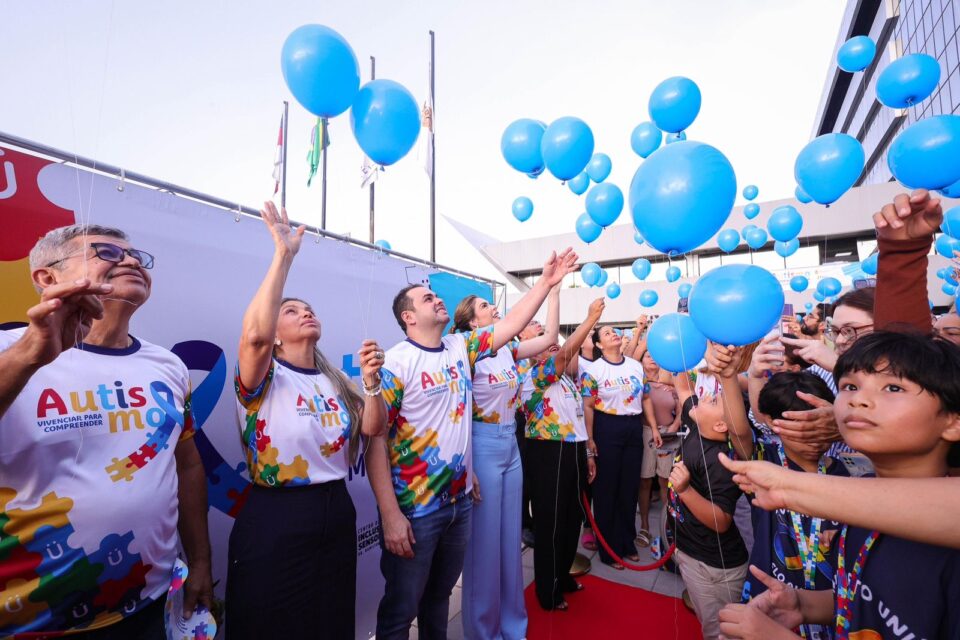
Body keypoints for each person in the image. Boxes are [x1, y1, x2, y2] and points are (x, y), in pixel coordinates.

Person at [0, 225, 212, 638]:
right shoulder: (8, 349)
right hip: (31, 623)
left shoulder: (169, 366)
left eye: (136, 256)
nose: (131, 261)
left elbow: (187, 467)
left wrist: (201, 561)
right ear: (48, 277)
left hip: (150, 606)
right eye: (107, 253)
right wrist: (28, 356)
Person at [364, 248, 578, 639]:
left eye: (435, 295)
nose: (437, 299)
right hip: (417, 506)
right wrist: (390, 514)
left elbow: (515, 323)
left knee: (439, 599)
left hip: (458, 500)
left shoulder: (460, 349)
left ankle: (504, 623)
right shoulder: (396, 363)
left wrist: (547, 284)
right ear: (408, 317)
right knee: (401, 610)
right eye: (427, 298)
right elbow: (375, 440)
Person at [718, 332, 960, 640]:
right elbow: (867, 600)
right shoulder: (860, 504)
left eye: (893, 387)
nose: (857, 399)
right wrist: (804, 604)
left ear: (953, 422)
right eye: (849, 386)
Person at [225, 203, 386, 639]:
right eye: (292, 311)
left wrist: (371, 384)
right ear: (276, 334)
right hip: (277, 517)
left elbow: (373, 430)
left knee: (330, 622)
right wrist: (284, 255)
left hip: (335, 511)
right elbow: (253, 336)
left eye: (308, 309)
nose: (305, 313)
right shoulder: (263, 376)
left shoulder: (336, 380)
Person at [708, 343, 844, 640]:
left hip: (834, 604)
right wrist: (729, 377)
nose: (812, 436)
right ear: (773, 423)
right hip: (772, 600)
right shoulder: (765, 465)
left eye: (817, 424)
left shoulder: (850, 475)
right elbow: (739, 432)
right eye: (799, 427)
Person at [450, 286, 560, 640]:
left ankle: (513, 625)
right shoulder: (466, 352)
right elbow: (458, 414)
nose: (493, 308)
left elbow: (550, 339)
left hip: (511, 443)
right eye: (485, 306)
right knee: (484, 547)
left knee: (511, 541)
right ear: (471, 322)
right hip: (482, 446)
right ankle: (483, 631)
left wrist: (554, 292)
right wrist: (468, 463)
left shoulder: (509, 349)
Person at [521, 298, 604, 611]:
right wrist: (590, 318)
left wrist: (588, 454)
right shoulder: (536, 375)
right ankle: (548, 590)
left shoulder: (568, 381)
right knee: (552, 523)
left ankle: (563, 575)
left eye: (553, 341)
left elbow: (577, 421)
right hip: (548, 452)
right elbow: (568, 353)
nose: (553, 344)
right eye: (544, 343)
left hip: (573, 451)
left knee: (573, 519)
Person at [668, 374, 749, 640]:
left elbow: (721, 520)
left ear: (721, 424)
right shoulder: (698, 424)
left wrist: (685, 491)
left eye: (714, 400)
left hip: (713, 566)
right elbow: (682, 387)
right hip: (692, 552)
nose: (706, 395)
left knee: (721, 631)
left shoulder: (720, 460)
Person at [581, 325, 658, 568]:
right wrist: (590, 438)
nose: (613, 334)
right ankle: (608, 550)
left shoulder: (635, 366)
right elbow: (588, 407)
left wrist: (654, 427)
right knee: (607, 490)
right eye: (606, 333)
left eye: (614, 331)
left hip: (633, 428)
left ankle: (627, 542)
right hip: (606, 427)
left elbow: (646, 398)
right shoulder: (593, 370)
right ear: (599, 345)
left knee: (629, 487)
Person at [637, 350, 680, 548]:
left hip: (669, 435)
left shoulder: (671, 381)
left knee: (666, 481)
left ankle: (668, 525)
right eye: (647, 355)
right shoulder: (637, 380)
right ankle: (644, 527)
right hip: (645, 434)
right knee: (645, 481)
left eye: (655, 355)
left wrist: (673, 427)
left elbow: (682, 407)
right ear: (641, 361)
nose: (652, 358)